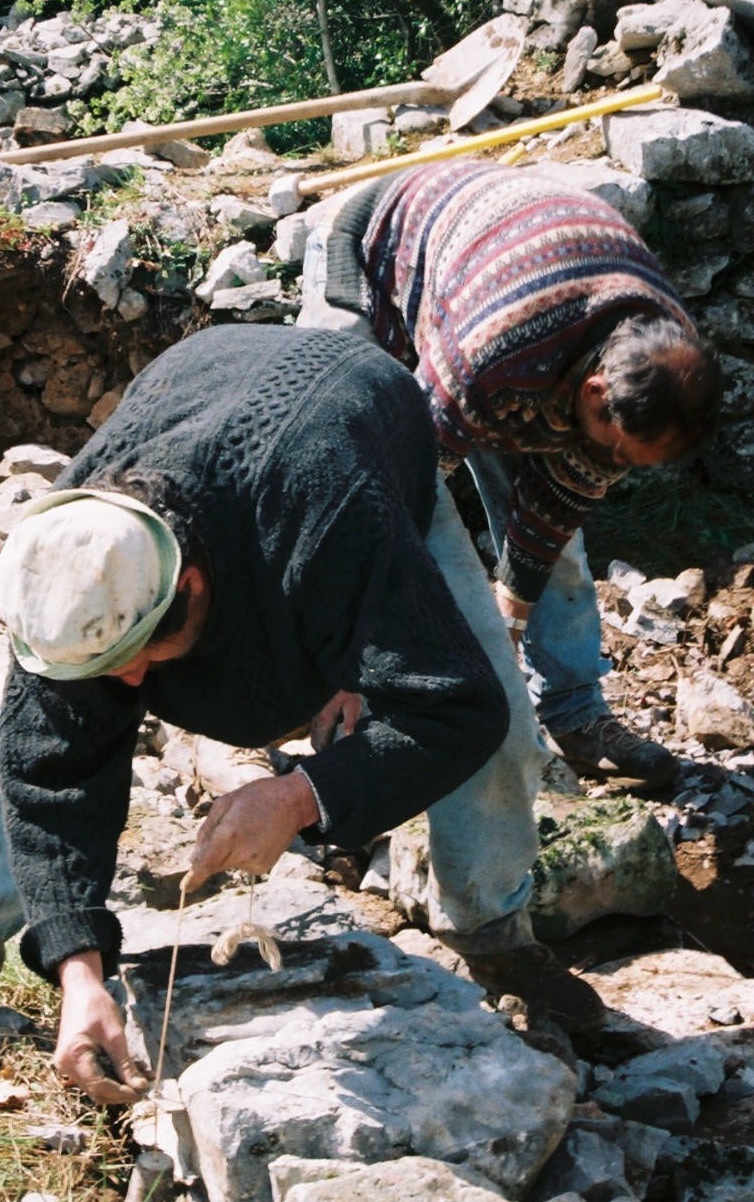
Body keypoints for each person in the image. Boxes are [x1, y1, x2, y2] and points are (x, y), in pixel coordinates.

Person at [0, 325, 605, 1107]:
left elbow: (452, 706)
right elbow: (51, 771)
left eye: (134, 651)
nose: (121, 679)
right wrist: (79, 972)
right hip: (207, 397)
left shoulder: (330, 516)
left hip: (356, 451)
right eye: (104, 660)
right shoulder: (78, 559)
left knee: (495, 735)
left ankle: (492, 928)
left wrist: (301, 794)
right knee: (34, 731)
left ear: (188, 583)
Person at [296, 156, 722, 788]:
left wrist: (509, 619)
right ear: (595, 392)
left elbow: (558, 502)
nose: (615, 470)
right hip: (376, 252)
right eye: (619, 451)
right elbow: (393, 496)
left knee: (562, 551)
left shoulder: (662, 353)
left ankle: (575, 714)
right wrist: (363, 652)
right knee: (333, 456)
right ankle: (320, 684)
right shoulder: (495, 355)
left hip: (502, 284)